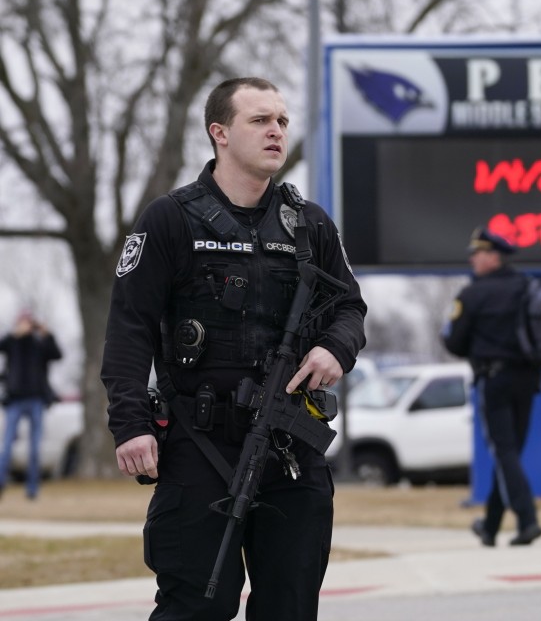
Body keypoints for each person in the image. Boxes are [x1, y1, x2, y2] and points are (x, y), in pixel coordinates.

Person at [101, 77, 367, 621]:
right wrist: (129, 423)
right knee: (197, 605)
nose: (276, 132)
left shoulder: (309, 224)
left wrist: (335, 350)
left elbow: (350, 307)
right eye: (260, 120)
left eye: (282, 121)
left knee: (290, 606)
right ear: (219, 133)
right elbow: (129, 326)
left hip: (291, 445)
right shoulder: (170, 219)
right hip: (199, 445)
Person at [442, 226, 541, 547]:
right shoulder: (527, 287)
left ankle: (528, 520)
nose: (473, 259)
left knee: (504, 452)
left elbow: (455, 343)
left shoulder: (473, 294)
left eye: (478, 253)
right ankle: (490, 525)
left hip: (494, 379)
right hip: (528, 379)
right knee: (511, 453)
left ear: (493, 256)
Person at [0, 310, 62, 500]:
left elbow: (57, 355)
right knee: (7, 445)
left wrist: (47, 333)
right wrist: (12, 334)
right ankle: (1, 483)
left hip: (36, 400)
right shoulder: (12, 342)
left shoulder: (39, 343)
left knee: (35, 448)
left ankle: (32, 490)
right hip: (15, 400)